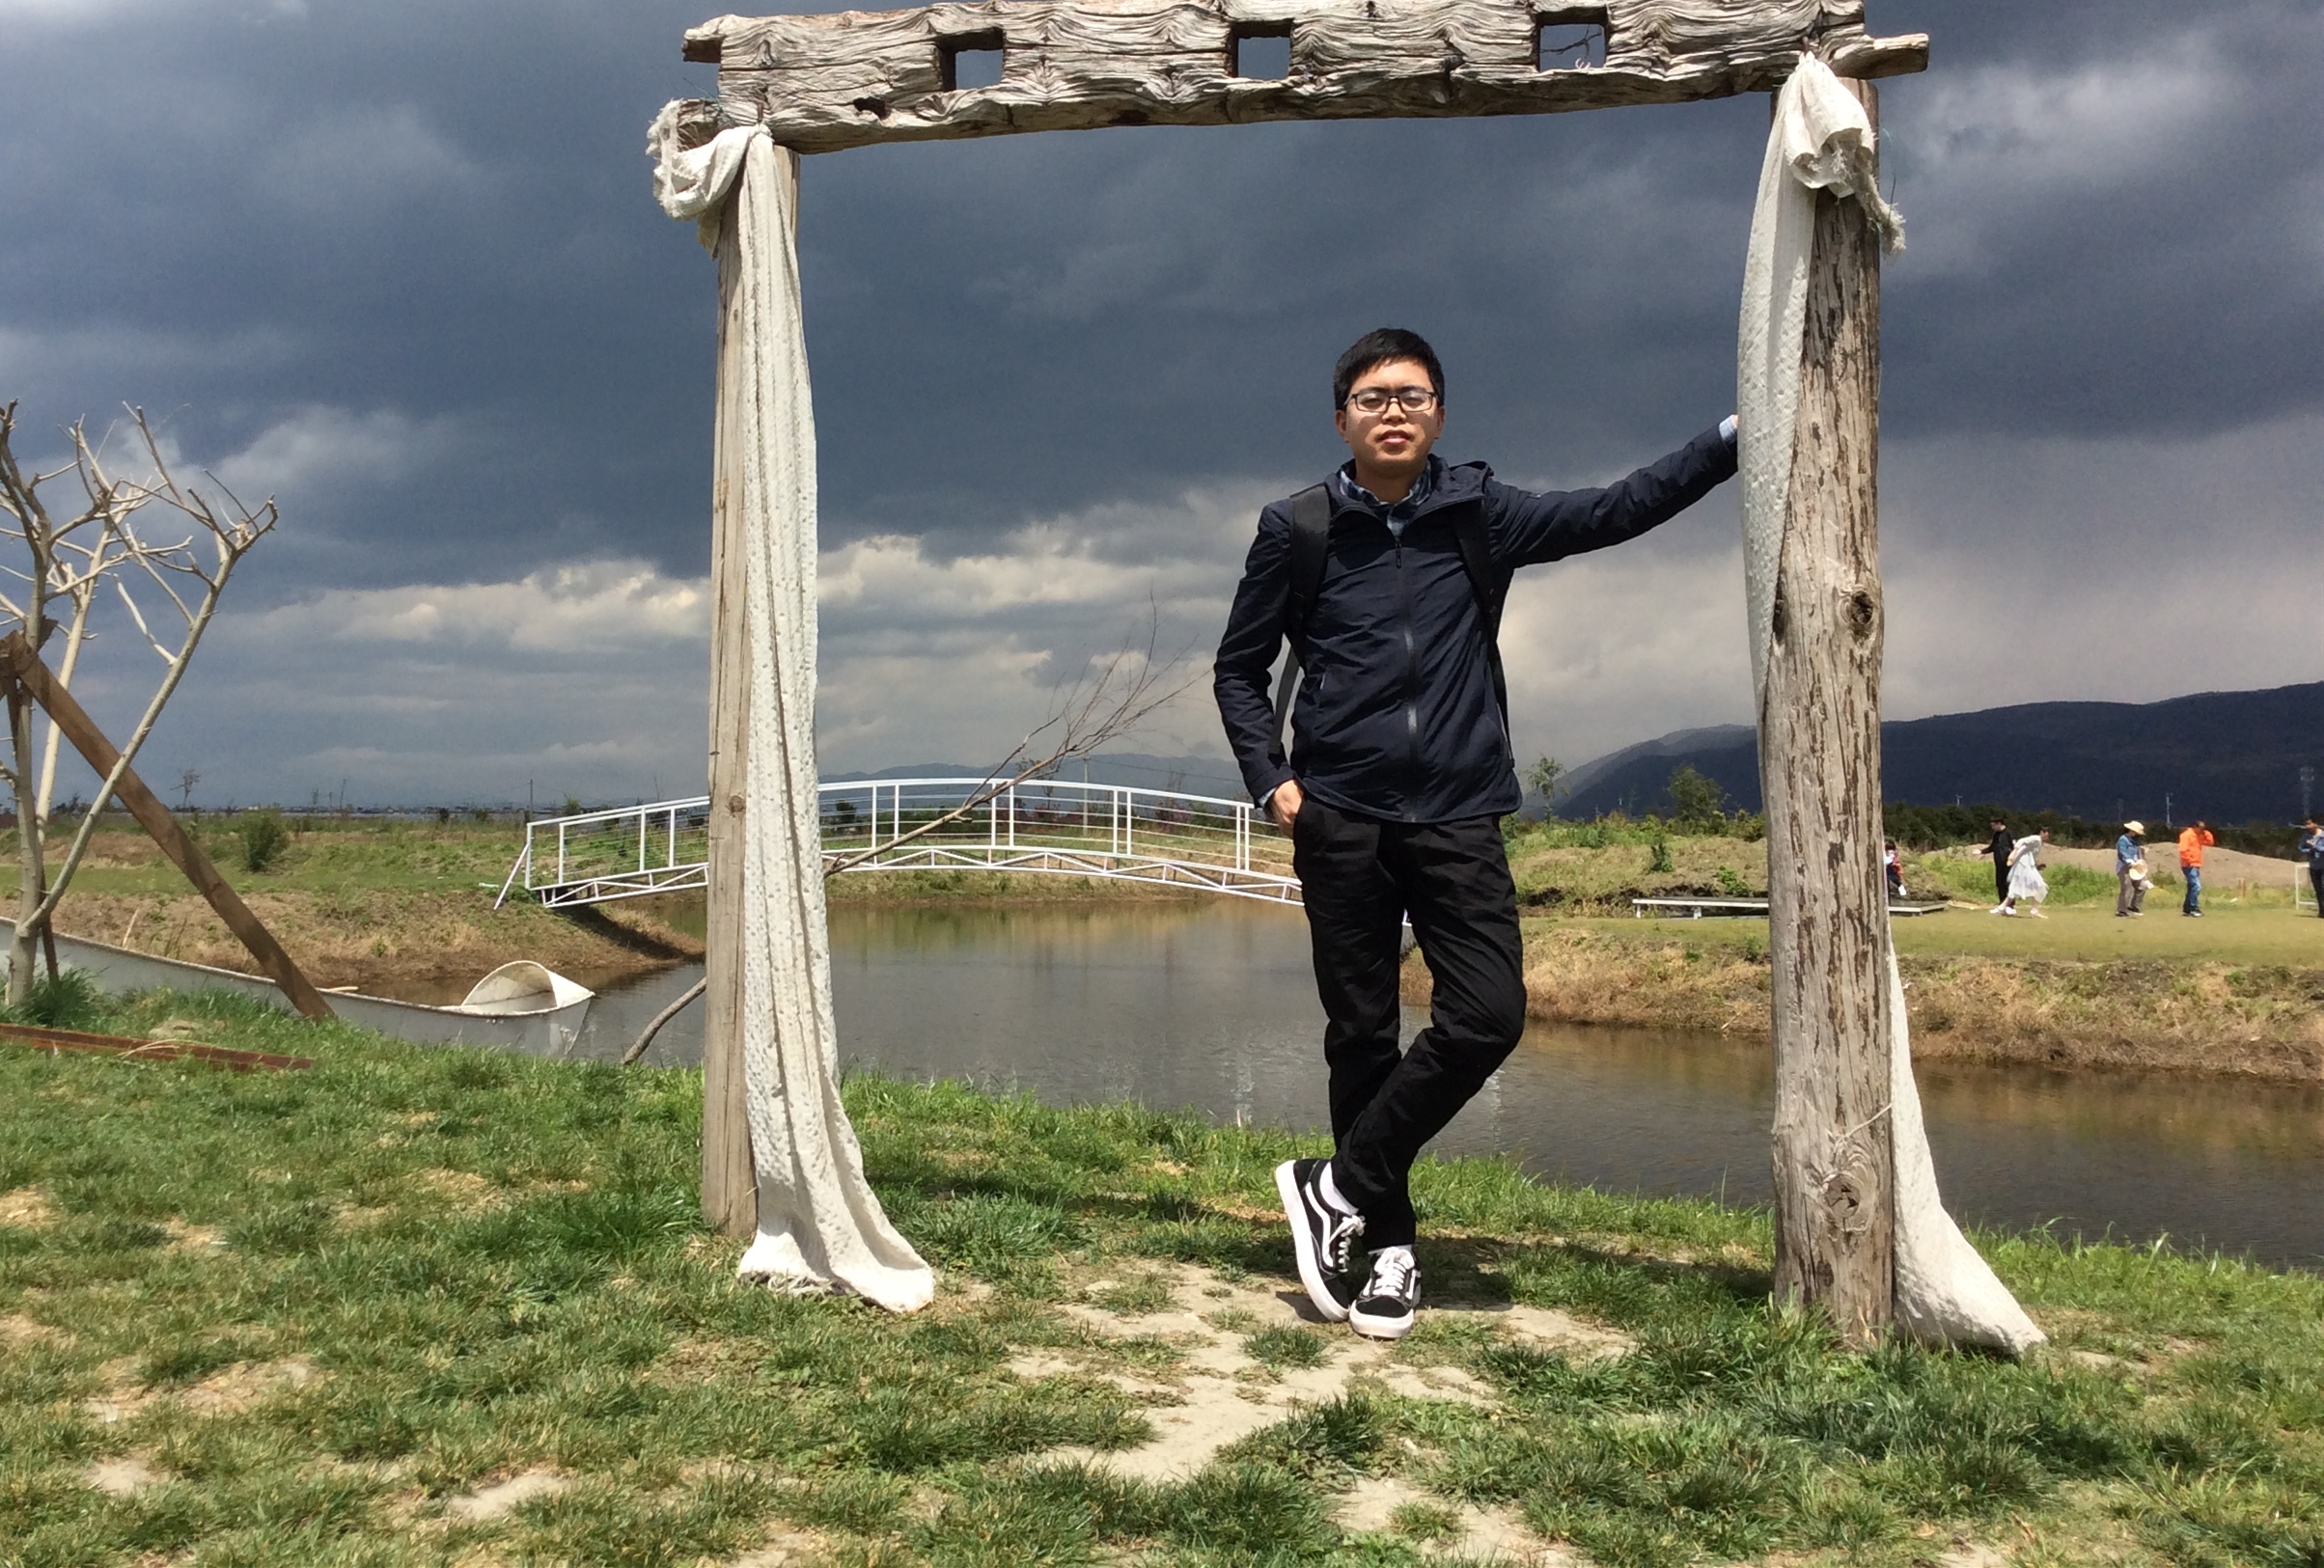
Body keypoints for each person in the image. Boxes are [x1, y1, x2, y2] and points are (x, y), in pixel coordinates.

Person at [1213, 328, 1737, 1339]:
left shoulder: (1478, 511)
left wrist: (1727, 440)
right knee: (1361, 1034)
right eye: (1373, 397)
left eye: (1411, 395)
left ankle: (1337, 1184)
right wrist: (1272, 781)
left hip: (1458, 813)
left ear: (1439, 414)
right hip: (1341, 818)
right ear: (1341, 419)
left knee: (1490, 1014)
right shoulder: (1298, 527)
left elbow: (1614, 508)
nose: (1393, 411)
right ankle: (1387, 1248)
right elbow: (1238, 669)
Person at [1993, 828, 2050, 917]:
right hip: (2024, 865)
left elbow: (2027, 851)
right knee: (2039, 886)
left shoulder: (2038, 841)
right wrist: (2013, 853)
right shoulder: (2036, 838)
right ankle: (2034, 910)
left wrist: (2036, 866)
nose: (2048, 835)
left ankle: (2002, 907)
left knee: (2019, 886)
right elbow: (2021, 841)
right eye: (2047, 833)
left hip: (2026, 864)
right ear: (2042, 832)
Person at [2177, 819, 2215, 917]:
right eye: (2201, 828)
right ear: (2195, 826)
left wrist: (2206, 833)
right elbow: (2183, 850)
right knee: (2196, 886)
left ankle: (2187, 908)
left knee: (2191, 887)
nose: (2202, 830)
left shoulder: (2198, 835)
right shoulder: (2187, 835)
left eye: (2203, 828)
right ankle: (2193, 907)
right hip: (2189, 864)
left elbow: (2210, 842)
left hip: (2196, 864)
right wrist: (2189, 860)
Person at [2115, 820, 2148, 918]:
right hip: (2124, 867)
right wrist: (2130, 862)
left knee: (2142, 886)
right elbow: (2122, 853)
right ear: (2132, 831)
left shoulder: (2134, 842)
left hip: (2135, 867)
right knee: (2127, 888)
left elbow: (2136, 854)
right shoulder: (2123, 840)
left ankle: (2134, 906)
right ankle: (2122, 911)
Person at [1978, 817, 2012, 909]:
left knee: (2008, 884)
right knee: (2000, 883)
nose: (1992, 827)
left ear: (1999, 824)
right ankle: (2002, 903)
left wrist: (2012, 858)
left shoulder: (2009, 833)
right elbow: (1992, 847)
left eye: (1993, 825)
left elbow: (2014, 847)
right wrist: (1981, 851)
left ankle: (2010, 905)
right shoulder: (1996, 835)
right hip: (1998, 863)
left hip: (2008, 863)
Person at [2300, 818, 2324, 919]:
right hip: (2314, 866)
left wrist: (2317, 847)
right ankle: (2322, 911)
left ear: (2316, 823)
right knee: (2318, 889)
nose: (2307, 826)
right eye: (2306, 824)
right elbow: (2301, 848)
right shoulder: (2306, 836)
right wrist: (2309, 850)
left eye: (2309, 824)